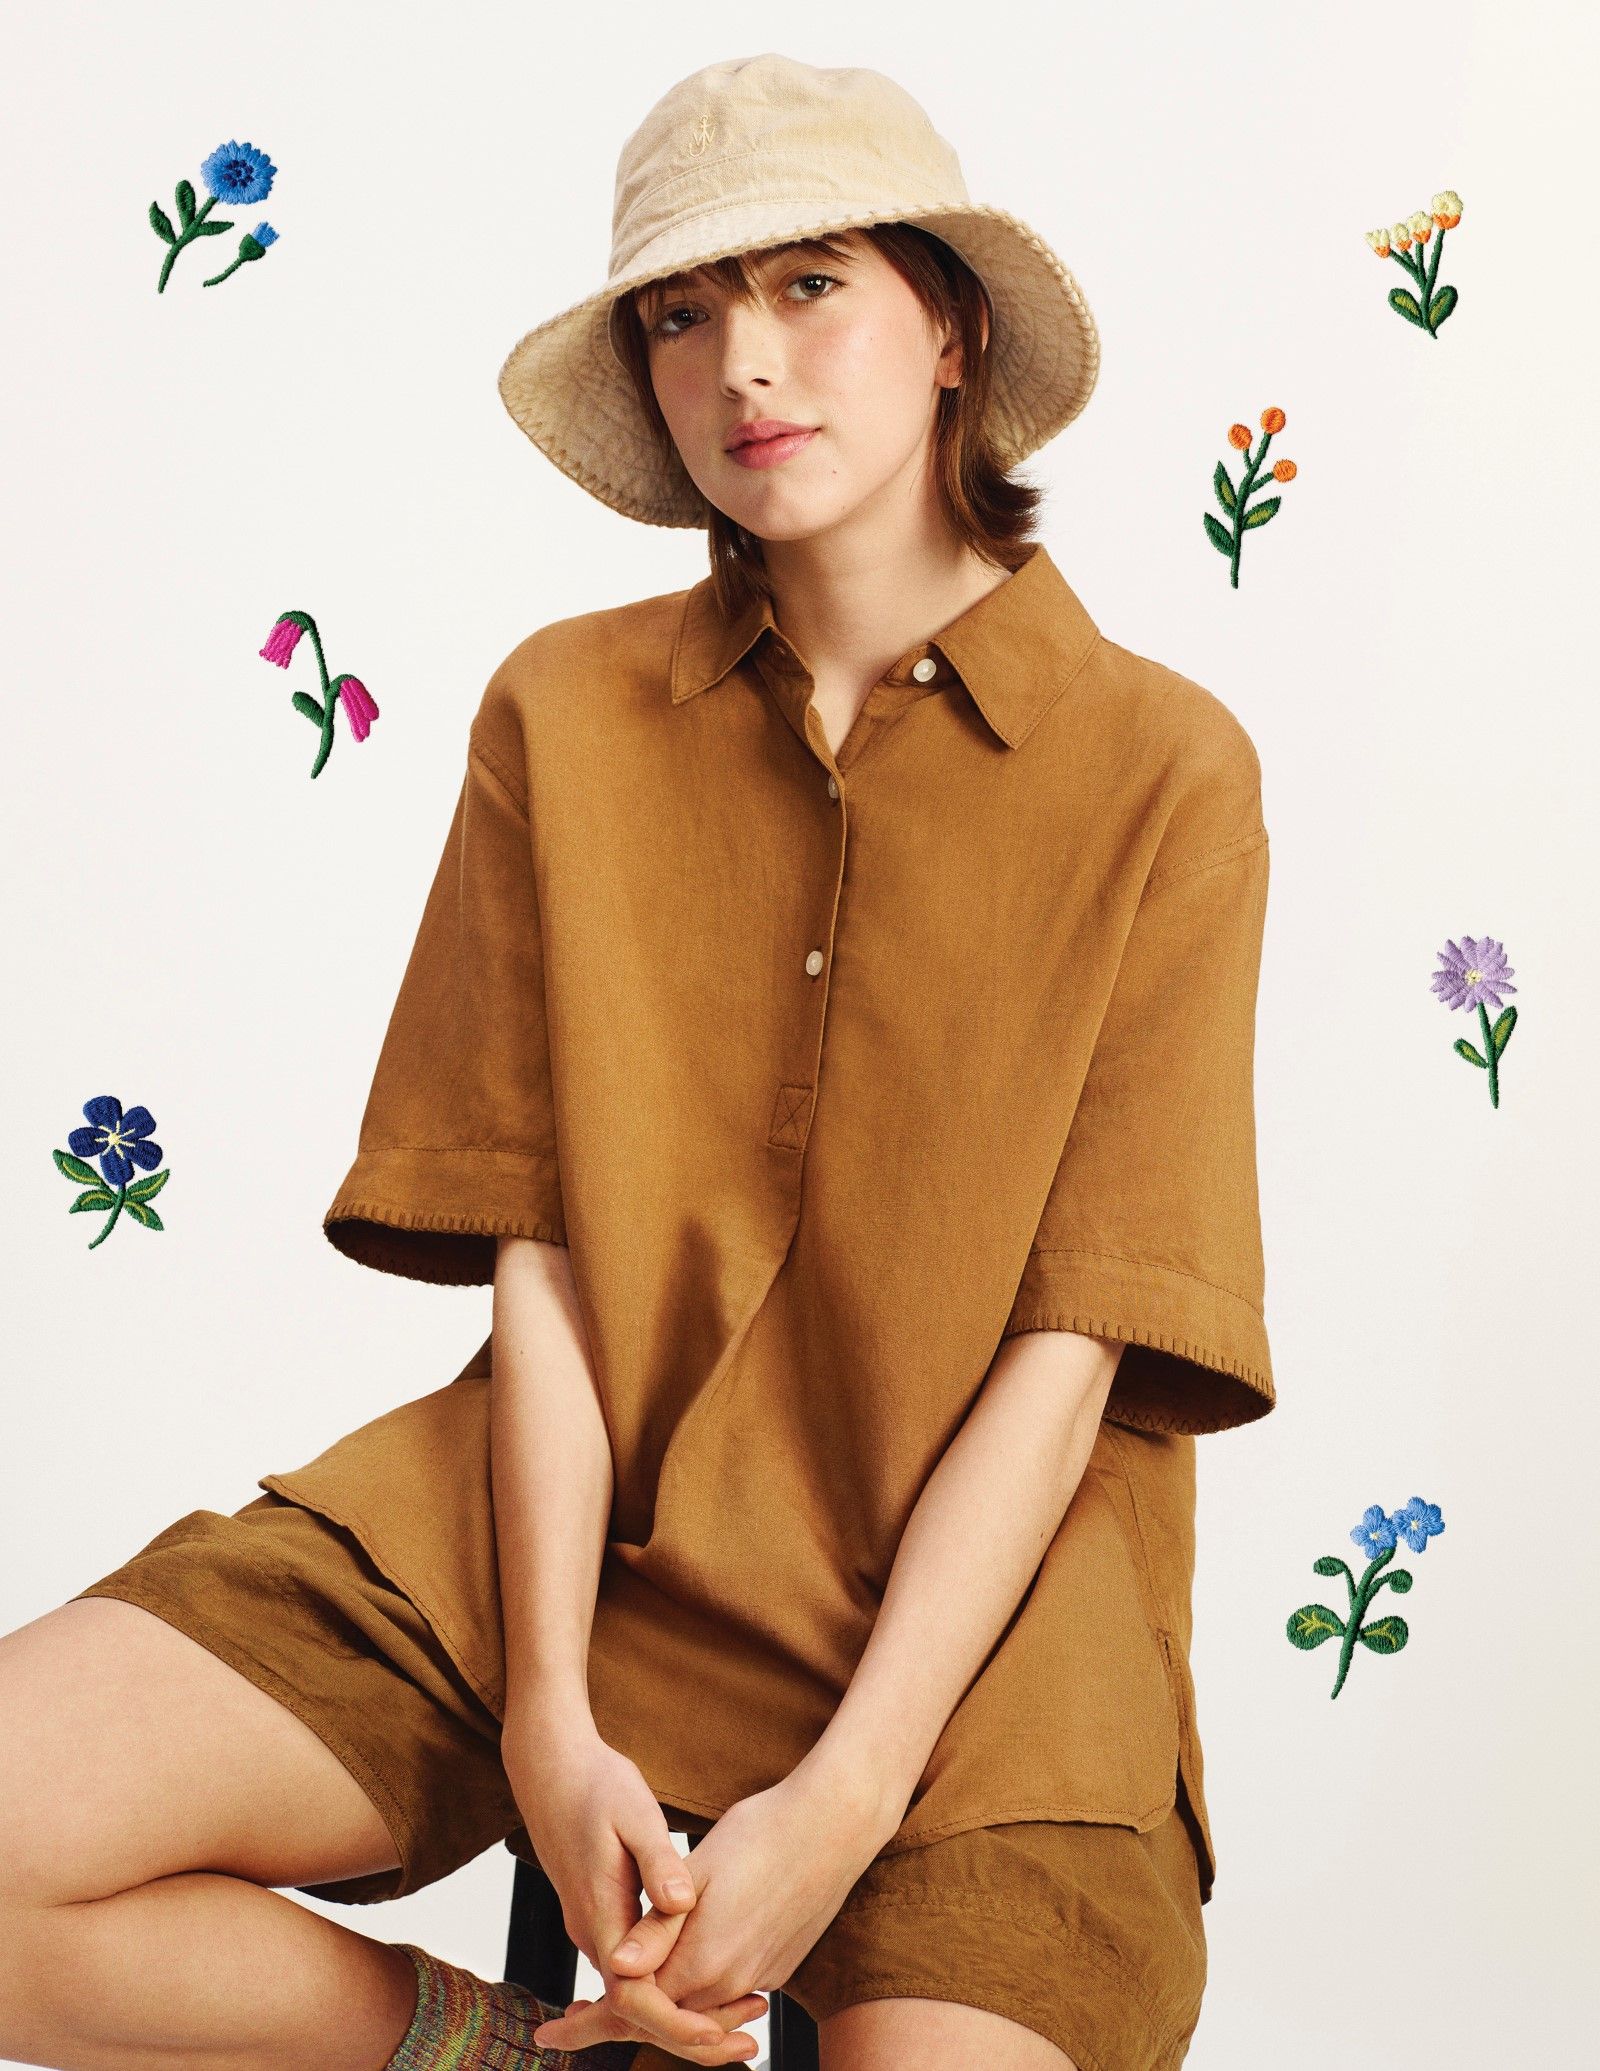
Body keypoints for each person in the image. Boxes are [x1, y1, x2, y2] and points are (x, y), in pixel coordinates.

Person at [0, 51, 1276, 2071]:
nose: (740, 363)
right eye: (680, 316)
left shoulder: (1163, 771)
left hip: (994, 1637)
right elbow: (547, 1263)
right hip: (546, 1537)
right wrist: (545, 1709)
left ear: (950, 326)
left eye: (808, 287)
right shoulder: (563, 716)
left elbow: (1077, 1352)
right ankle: (509, 2063)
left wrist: (843, 1800)